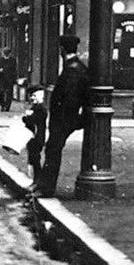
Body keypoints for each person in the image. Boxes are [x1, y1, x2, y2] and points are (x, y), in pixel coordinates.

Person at [36, 34, 89, 197]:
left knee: (52, 150)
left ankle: (46, 189)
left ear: (62, 49)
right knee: (52, 149)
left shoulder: (72, 69)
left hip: (65, 120)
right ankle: (42, 185)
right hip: (66, 118)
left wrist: (61, 121)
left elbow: (70, 99)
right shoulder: (75, 66)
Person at [21, 85, 47, 183]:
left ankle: (37, 180)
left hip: (37, 137)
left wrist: (26, 117)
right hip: (33, 137)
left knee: (35, 159)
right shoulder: (36, 107)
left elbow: (32, 120)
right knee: (33, 158)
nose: (32, 98)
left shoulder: (41, 108)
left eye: (35, 96)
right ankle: (35, 180)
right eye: (32, 96)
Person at [0, 48, 18, 112]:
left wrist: (14, 78)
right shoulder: (0, 60)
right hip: (1, 79)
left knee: (9, 93)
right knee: (1, 92)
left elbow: (14, 70)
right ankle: (2, 105)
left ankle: (7, 106)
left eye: (7, 53)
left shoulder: (13, 60)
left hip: (9, 79)